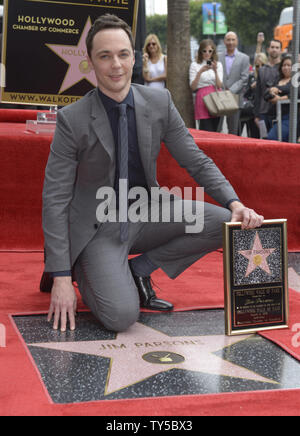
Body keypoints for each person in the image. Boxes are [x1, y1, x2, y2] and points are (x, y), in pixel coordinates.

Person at [42, 14, 264, 333]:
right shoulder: (72, 120)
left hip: (146, 211)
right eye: (104, 56)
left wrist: (234, 202)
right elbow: (55, 199)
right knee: (121, 316)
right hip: (97, 226)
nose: (116, 64)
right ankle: (85, 267)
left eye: (122, 54)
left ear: (135, 57)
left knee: (225, 224)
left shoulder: (159, 102)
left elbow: (195, 160)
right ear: (90, 62)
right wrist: (61, 276)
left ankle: (139, 269)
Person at [219, 31, 250, 135]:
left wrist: (231, 90)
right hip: (219, 97)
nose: (230, 42)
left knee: (233, 130)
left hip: (235, 97)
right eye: (228, 39)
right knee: (217, 129)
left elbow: (244, 79)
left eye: (233, 39)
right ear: (224, 41)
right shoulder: (217, 57)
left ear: (237, 41)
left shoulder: (244, 58)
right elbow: (209, 68)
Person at [189, 39, 223, 132]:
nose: (207, 53)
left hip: (216, 97)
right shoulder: (195, 65)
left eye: (210, 51)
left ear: (213, 52)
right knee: (205, 128)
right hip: (202, 97)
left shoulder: (218, 64)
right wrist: (200, 72)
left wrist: (215, 70)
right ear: (200, 51)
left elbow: (219, 85)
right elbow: (193, 87)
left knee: (216, 130)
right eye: (204, 51)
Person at [254, 39, 282, 135]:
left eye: (277, 47)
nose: (274, 50)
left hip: (279, 112)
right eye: (272, 47)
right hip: (263, 113)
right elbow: (258, 93)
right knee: (264, 139)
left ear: (280, 50)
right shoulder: (262, 70)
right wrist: (256, 115)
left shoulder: (284, 68)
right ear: (268, 49)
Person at [265, 55, 295, 142]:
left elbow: (294, 91)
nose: (286, 67)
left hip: (288, 117)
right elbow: (265, 94)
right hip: (273, 117)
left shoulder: (296, 80)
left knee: (272, 138)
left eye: (289, 65)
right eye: (284, 65)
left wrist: (279, 95)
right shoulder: (277, 79)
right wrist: (271, 92)